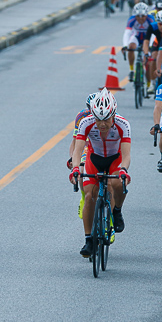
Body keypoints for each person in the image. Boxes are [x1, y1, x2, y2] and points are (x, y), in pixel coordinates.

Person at [69, 89, 131, 257]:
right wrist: (76, 168)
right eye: (98, 119)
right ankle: (89, 239)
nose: (102, 124)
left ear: (114, 115)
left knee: (118, 183)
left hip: (114, 159)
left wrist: (124, 171)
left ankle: (117, 210)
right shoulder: (86, 122)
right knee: (89, 196)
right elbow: (78, 149)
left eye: (106, 120)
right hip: (94, 158)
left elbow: (126, 156)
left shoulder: (123, 124)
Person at [68, 92, 98, 220]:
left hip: (103, 144)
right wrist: (73, 159)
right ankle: (83, 196)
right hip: (87, 143)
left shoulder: (111, 117)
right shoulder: (82, 117)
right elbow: (76, 142)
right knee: (81, 170)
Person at [124, 3, 154, 81]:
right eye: (138, 16)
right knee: (131, 47)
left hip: (147, 39)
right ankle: (131, 70)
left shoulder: (150, 19)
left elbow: (153, 35)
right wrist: (125, 46)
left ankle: (149, 84)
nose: (140, 18)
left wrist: (150, 46)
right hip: (136, 38)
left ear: (146, 15)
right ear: (135, 15)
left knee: (147, 61)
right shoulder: (131, 19)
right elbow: (127, 33)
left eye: (143, 16)